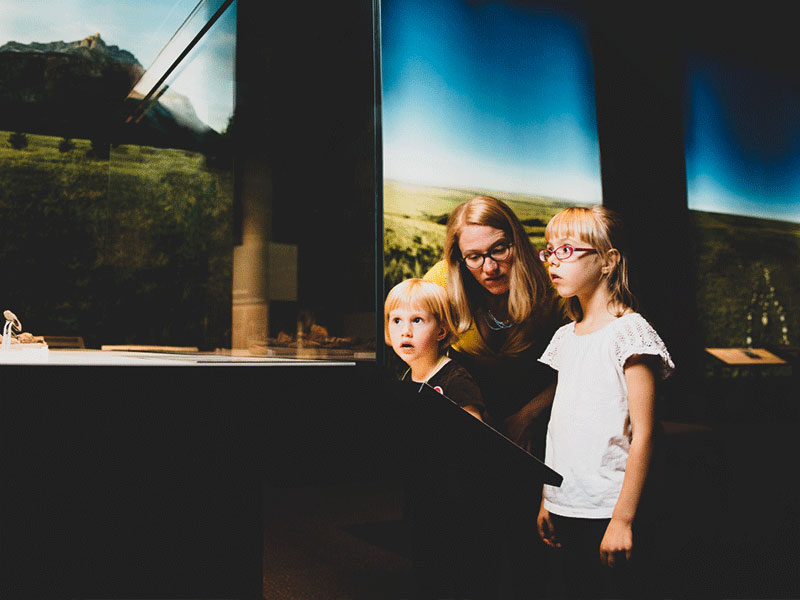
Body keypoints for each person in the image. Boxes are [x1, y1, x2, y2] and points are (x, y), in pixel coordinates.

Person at [423, 195, 565, 598]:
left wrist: (528, 416)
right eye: (474, 256)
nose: (488, 267)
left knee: (529, 538)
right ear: (458, 258)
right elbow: (413, 345)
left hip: (537, 408)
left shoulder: (550, 285)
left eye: (498, 249)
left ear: (516, 242)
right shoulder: (441, 282)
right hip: (471, 407)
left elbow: (578, 366)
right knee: (465, 532)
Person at [535, 206, 674, 599]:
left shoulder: (630, 332)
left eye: (567, 250)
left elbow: (644, 434)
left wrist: (623, 519)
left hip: (610, 509)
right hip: (567, 504)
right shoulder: (566, 336)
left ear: (608, 261)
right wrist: (549, 498)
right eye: (549, 251)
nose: (552, 261)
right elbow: (560, 426)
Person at [384, 278, 490, 598]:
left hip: (455, 499)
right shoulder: (407, 377)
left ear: (441, 329)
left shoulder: (454, 378)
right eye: (396, 320)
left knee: (452, 573)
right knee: (424, 566)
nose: (406, 331)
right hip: (423, 493)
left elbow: (475, 437)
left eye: (418, 320)